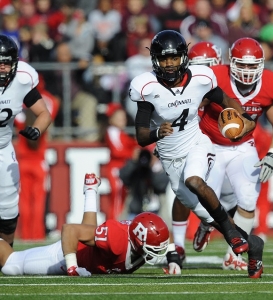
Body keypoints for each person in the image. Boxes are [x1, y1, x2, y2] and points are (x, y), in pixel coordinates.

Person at [129, 30, 264, 279]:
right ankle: (253, 247)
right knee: (213, 217)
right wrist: (158, 133)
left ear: (184, 57)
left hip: (198, 145)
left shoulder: (201, 78)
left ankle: (233, 236)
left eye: (174, 58)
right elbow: (141, 136)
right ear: (155, 60)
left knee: (194, 180)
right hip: (171, 159)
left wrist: (246, 120)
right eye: (164, 59)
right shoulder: (146, 87)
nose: (169, 64)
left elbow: (226, 101)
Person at [171, 37, 273, 274]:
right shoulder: (216, 76)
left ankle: (233, 256)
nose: (246, 71)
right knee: (200, 200)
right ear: (230, 62)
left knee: (247, 198)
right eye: (241, 65)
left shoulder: (271, 84)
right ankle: (206, 225)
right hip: (209, 143)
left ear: (262, 64)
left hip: (243, 145)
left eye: (252, 65)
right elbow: (188, 106)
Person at [0, 173, 181, 276]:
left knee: (92, 236)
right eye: (154, 247)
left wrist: (173, 260)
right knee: (11, 265)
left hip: (90, 253)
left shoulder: (142, 234)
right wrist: (72, 267)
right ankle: (90, 190)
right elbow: (70, 230)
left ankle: (90, 189)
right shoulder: (117, 239)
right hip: (66, 255)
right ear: (138, 241)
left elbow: (164, 235)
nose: (159, 251)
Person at [0, 34, 52, 247]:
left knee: (9, 209)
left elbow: (44, 114)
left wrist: (37, 130)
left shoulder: (22, 79)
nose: (2, 68)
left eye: (6, 63)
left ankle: (5, 257)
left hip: (3, 148)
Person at [14, 74, 60, 240]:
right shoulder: (47, 102)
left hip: (23, 160)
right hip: (39, 162)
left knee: (24, 202)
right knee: (39, 202)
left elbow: (16, 119)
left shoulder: (18, 98)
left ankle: (25, 235)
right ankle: (37, 234)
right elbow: (52, 109)